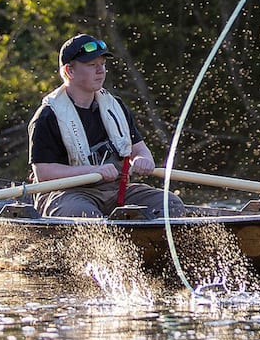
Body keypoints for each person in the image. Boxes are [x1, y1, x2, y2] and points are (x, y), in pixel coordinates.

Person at [28, 33, 186, 218]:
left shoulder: (115, 106)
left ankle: (146, 241)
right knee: (85, 216)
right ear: (70, 71)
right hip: (66, 194)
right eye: (91, 65)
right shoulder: (48, 116)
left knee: (171, 204)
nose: (100, 70)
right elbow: (44, 173)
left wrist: (144, 159)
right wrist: (93, 171)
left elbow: (140, 150)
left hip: (116, 192)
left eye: (102, 64)